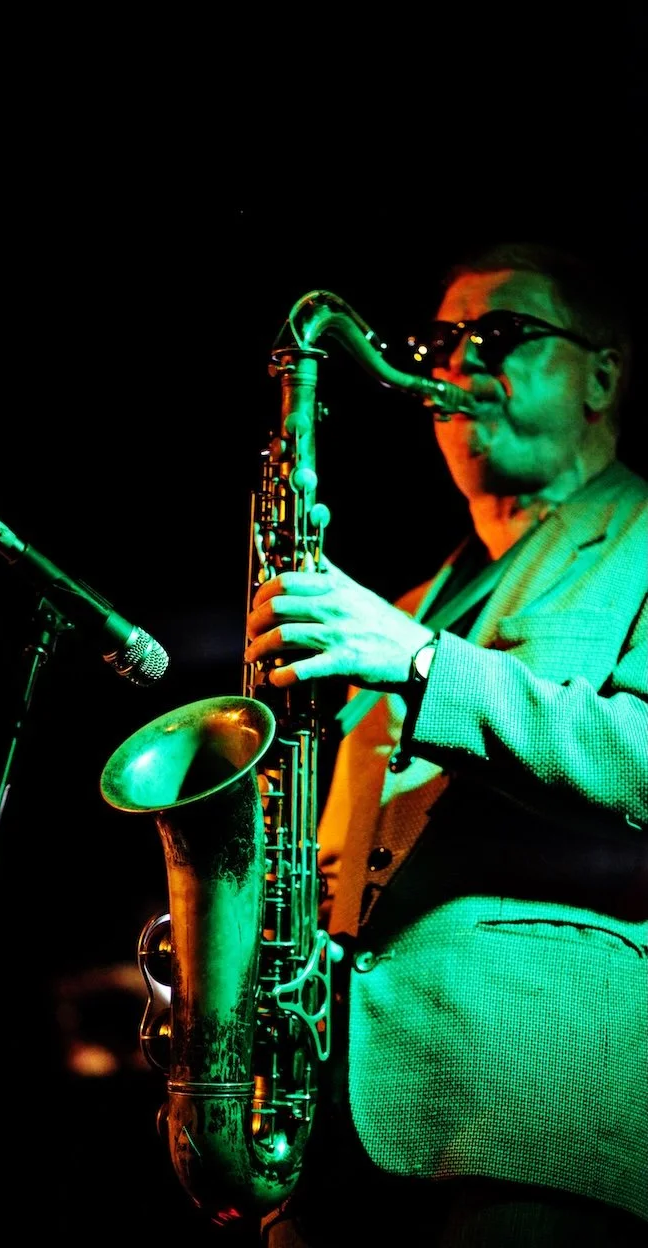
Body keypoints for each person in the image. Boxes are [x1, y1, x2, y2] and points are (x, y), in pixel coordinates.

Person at [243, 241, 648, 1246]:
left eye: (501, 333)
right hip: (341, 1108)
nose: (460, 362)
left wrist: (422, 663)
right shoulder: (409, 602)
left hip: (540, 1089)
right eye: (439, 342)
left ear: (602, 374)